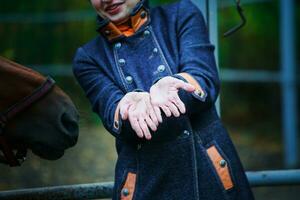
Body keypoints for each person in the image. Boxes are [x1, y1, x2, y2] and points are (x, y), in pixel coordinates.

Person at [73, 0, 255, 199]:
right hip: (144, 186)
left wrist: (172, 85)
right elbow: (112, 114)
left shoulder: (181, 14)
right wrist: (128, 107)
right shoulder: (87, 57)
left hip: (211, 176)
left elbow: (203, 78)